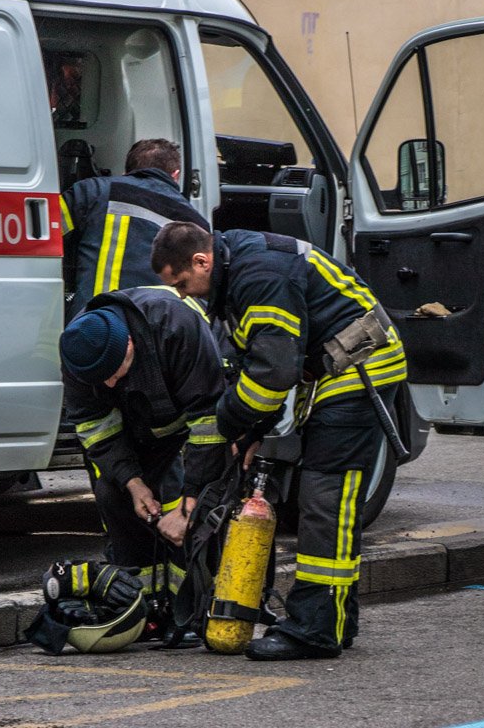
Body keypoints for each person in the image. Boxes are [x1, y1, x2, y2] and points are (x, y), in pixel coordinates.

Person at [150, 222, 407, 661]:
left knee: (326, 500)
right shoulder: (238, 269)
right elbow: (263, 366)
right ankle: (335, 619)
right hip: (334, 372)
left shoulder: (260, 275)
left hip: (359, 371)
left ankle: (315, 630)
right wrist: (251, 432)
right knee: (324, 500)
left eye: (184, 283)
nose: (188, 295)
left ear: (201, 261)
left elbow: (273, 375)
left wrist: (233, 425)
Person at [58, 285, 226, 636]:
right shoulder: (80, 350)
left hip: (198, 418)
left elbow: (208, 425)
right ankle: (144, 609)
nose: (109, 382)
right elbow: (95, 426)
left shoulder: (175, 326)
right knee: (113, 493)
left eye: (115, 371)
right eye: (100, 379)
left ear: (130, 344)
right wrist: (133, 483)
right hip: (141, 429)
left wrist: (187, 507)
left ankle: (197, 610)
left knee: (198, 507)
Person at [60, 139, 209, 322]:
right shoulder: (198, 226)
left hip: (94, 322)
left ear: (126, 172)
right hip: (157, 330)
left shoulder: (92, 190)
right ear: (175, 175)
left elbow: (44, 232)